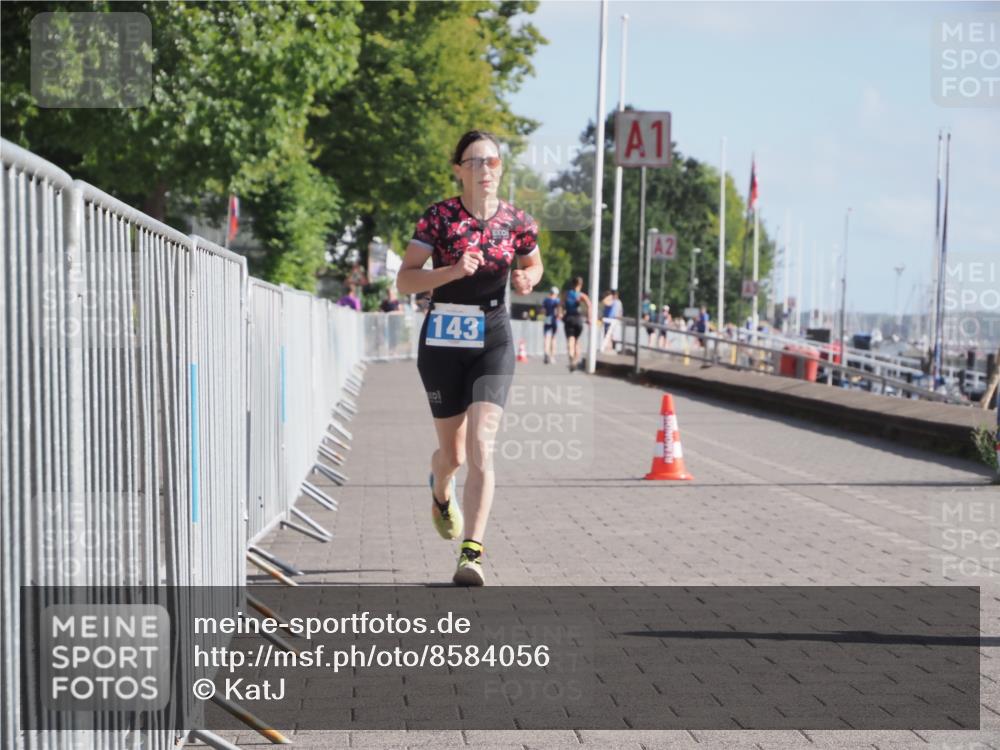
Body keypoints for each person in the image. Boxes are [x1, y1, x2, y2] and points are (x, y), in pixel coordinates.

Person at [396, 130, 543, 586]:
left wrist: (528, 280)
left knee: (482, 445)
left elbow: (533, 263)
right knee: (454, 455)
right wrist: (453, 271)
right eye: (475, 162)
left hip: (492, 338)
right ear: (458, 169)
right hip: (442, 337)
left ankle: (471, 554)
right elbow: (405, 281)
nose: (485, 170)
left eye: (492, 162)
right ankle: (441, 491)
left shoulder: (516, 221)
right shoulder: (438, 218)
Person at [562, 277, 591, 372]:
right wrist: (589, 318)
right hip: (578, 319)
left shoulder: (566, 294)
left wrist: (560, 313)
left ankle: (571, 355)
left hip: (568, 318)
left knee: (570, 339)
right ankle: (575, 360)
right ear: (580, 285)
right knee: (577, 341)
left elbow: (560, 304)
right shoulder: (581, 295)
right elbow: (589, 305)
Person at [541, 286, 560, 364]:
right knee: (553, 338)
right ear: (556, 294)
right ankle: (552, 356)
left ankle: (546, 353)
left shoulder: (546, 300)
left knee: (546, 337)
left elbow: (543, 310)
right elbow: (559, 310)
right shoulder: (557, 300)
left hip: (547, 318)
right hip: (554, 319)